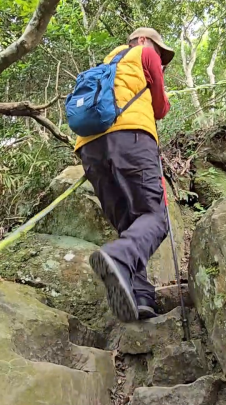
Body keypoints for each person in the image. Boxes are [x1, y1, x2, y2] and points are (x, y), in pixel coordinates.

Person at [75, 27, 175, 322]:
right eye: (160, 51)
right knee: (155, 217)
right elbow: (161, 108)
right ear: (143, 41)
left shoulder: (102, 68)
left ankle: (140, 295)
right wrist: (160, 85)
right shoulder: (144, 54)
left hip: (90, 149)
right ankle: (119, 258)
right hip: (131, 138)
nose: (161, 59)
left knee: (131, 224)